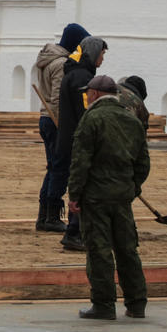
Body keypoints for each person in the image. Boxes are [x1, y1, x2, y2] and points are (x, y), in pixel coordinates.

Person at [68, 74, 150, 320]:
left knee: (99, 251)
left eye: (88, 93)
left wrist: (75, 194)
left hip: (95, 199)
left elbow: (80, 161)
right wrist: (131, 188)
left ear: (95, 94)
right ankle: (137, 303)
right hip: (121, 198)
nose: (86, 97)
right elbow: (143, 163)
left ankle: (103, 304)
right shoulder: (132, 120)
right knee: (127, 250)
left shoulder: (91, 119)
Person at [32, 23, 89, 234]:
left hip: (44, 118)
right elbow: (57, 98)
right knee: (60, 168)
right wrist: (63, 125)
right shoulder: (61, 63)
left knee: (53, 167)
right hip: (54, 119)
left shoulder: (48, 59)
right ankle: (52, 216)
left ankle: (44, 215)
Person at [56, 35, 109, 252]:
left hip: (71, 139)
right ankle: (74, 232)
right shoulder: (81, 78)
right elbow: (86, 113)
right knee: (81, 187)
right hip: (78, 142)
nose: (103, 59)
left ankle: (76, 231)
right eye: (102, 54)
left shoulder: (76, 73)